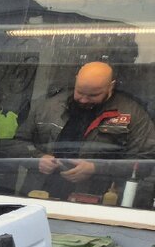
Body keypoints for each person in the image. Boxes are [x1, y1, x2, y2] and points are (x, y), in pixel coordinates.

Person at [14, 61, 155, 201]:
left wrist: (97, 169)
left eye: (93, 95)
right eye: (79, 92)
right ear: (76, 81)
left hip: (95, 200)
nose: (83, 99)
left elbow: (145, 161)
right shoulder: (49, 107)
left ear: (110, 87)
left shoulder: (133, 114)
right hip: (38, 194)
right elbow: (16, 144)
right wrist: (37, 158)